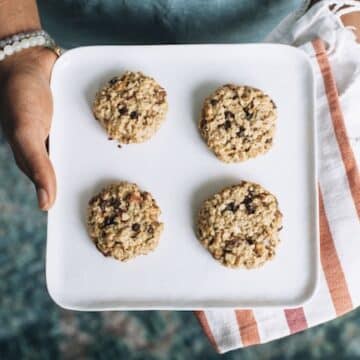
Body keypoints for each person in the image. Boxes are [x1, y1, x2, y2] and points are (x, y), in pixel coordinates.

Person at [0, 0, 359, 212]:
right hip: (77, 27)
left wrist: (348, 20)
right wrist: (17, 47)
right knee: (49, 131)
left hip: (258, 21)